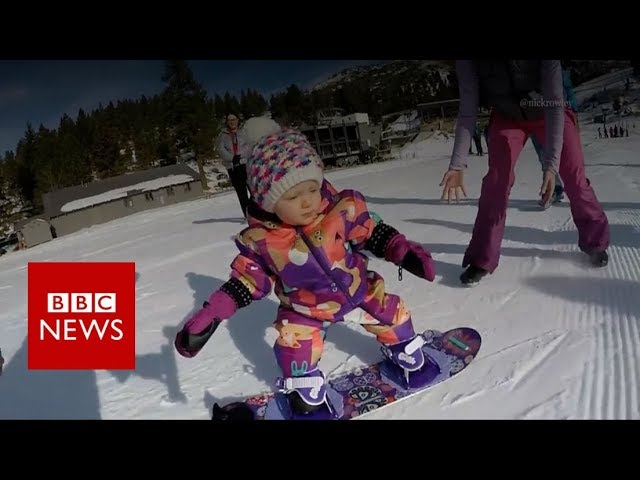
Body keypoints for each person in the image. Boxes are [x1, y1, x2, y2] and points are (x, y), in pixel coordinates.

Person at [175, 128, 437, 418]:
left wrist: (401, 250)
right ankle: (305, 390)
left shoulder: (339, 212)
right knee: (294, 345)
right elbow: (245, 281)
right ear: (268, 202)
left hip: (360, 291)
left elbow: (371, 232)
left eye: (312, 189)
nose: (308, 201)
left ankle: (403, 351)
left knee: (395, 315)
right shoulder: (264, 242)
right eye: (294, 195)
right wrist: (210, 316)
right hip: (305, 309)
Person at [439, 60, 610, 286]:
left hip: (549, 110)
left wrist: (550, 166)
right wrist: (457, 164)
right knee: (496, 182)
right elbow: (468, 107)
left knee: (574, 176)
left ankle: (595, 241)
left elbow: (554, 104)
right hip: (507, 116)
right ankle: (482, 257)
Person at [216, 113, 251, 218]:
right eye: (230, 120)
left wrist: (239, 155)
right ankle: (247, 215)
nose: (232, 122)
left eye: (234, 119)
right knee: (241, 193)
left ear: (237, 120)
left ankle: (259, 212)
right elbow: (220, 150)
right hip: (233, 167)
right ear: (227, 122)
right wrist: (232, 158)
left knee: (253, 189)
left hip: (245, 164)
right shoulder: (222, 135)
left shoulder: (244, 132)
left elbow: (249, 146)